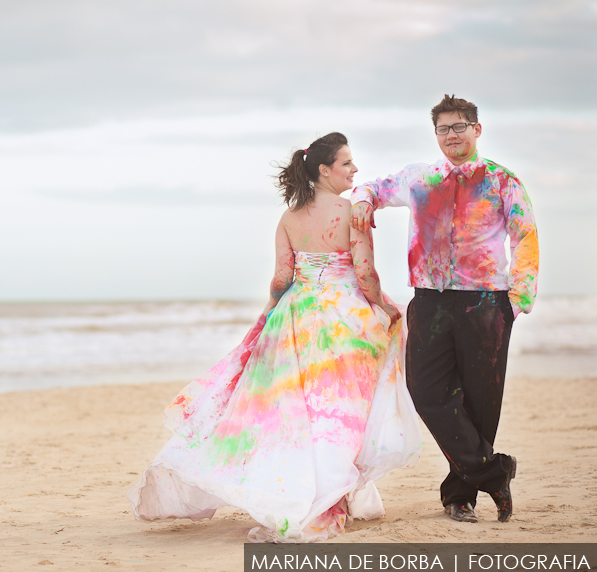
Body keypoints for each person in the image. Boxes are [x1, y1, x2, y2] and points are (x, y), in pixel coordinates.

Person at [127, 133, 423, 543]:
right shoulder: (352, 212)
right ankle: (331, 495)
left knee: (296, 414)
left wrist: (270, 310)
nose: (355, 170)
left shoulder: (288, 217)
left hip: (297, 317)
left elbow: (282, 278)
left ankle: (319, 491)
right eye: (347, 163)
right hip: (344, 320)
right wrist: (387, 309)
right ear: (325, 170)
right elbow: (366, 274)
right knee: (339, 412)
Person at [350, 94, 539, 523]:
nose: (451, 135)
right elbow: (372, 188)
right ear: (435, 134)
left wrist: (519, 295)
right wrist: (362, 200)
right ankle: (493, 472)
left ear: (476, 129)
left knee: (481, 402)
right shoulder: (420, 179)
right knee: (426, 390)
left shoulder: (501, 180)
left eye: (459, 127)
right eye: (443, 129)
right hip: (430, 300)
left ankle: (460, 496)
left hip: (486, 302)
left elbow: (524, 235)